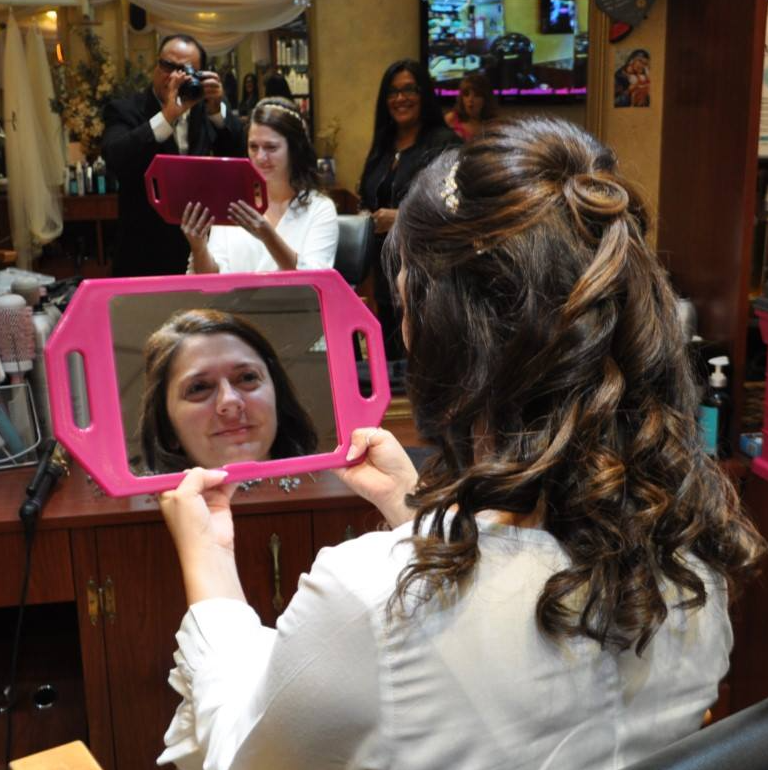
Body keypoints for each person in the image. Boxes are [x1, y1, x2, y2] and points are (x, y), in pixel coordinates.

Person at [156, 118, 766, 769]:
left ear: (434, 331)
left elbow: (242, 756)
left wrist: (211, 570)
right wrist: (418, 512)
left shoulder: (374, 599)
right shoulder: (691, 560)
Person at [102, 35, 245, 277]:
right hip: (143, 248)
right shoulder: (125, 109)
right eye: (168, 66)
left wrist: (216, 112)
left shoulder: (208, 109)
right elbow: (116, 159)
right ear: (156, 66)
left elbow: (238, 159)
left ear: (201, 74)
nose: (174, 76)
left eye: (186, 70)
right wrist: (166, 117)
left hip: (201, 248)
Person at [359, 59, 461, 360]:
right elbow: (367, 193)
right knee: (390, 358)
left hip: (428, 272)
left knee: (426, 357)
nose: (400, 98)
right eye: (392, 92)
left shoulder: (445, 144)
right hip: (383, 272)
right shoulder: (383, 144)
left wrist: (401, 217)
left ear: (424, 94)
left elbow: (458, 206)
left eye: (408, 90)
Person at [139, 308, 317, 474]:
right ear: (168, 429)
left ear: (278, 399)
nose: (230, 401)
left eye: (247, 378)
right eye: (198, 388)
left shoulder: (337, 487)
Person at [182, 96, 338, 273]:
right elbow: (213, 280)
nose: (260, 158)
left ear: (294, 149)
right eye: (253, 147)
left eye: (271, 148)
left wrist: (267, 236)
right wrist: (199, 247)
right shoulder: (232, 202)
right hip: (235, 301)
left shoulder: (319, 208)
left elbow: (316, 280)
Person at [444, 71, 497, 141]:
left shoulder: (493, 124)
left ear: (486, 99)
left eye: (476, 95)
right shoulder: (451, 119)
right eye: (466, 95)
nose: (470, 99)